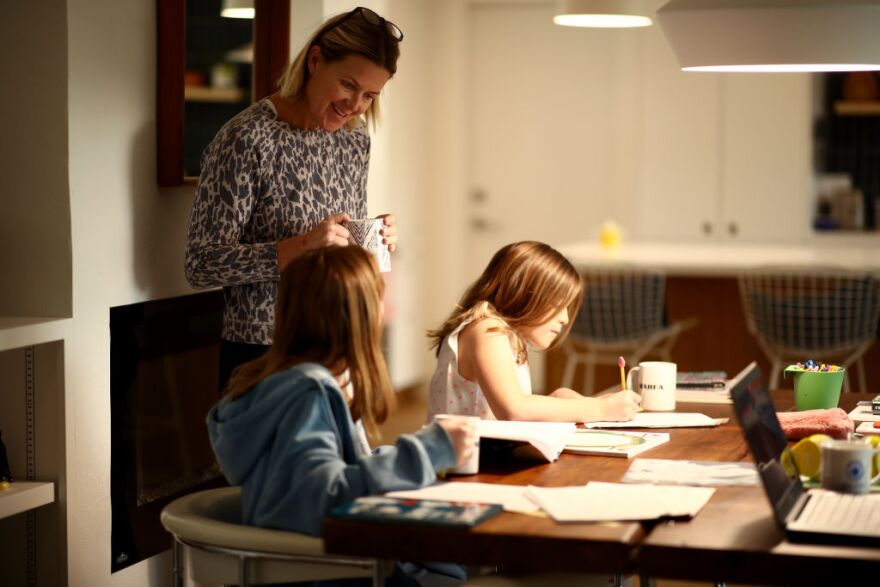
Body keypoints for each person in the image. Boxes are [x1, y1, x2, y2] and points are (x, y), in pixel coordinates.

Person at [207, 245, 472, 585]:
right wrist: (429, 451)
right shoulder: (309, 394)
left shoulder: (287, 383)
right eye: (379, 298)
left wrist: (408, 458)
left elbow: (323, 472)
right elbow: (323, 497)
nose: (386, 310)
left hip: (315, 565)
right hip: (330, 570)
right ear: (355, 317)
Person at [185, 6, 403, 392]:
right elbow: (201, 265)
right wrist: (300, 247)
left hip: (336, 345)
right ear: (316, 60)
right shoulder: (247, 138)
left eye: (370, 95)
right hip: (264, 355)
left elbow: (338, 246)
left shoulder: (354, 141)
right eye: (349, 85)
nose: (355, 105)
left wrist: (371, 240)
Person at [427, 241, 640, 423]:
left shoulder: (505, 335)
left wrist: (564, 399)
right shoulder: (486, 330)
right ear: (523, 293)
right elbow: (514, 409)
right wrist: (599, 409)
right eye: (559, 305)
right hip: (459, 465)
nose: (565, 319)